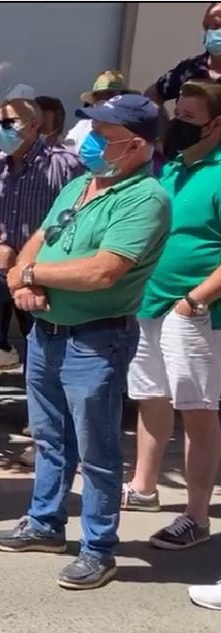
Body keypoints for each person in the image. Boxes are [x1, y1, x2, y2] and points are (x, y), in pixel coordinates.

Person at [0, 94, 170, 591]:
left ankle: (99, 548)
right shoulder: (81, 184)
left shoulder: (145, 197)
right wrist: (24, 281)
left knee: (98, 449)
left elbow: (103, 270)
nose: (90, 142)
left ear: (136, 145)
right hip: (48, 335)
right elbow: (40, 238)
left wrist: (29, 273)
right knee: (50, 438)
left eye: (103, 135)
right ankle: (45, 523)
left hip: (96, 339)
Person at [123, 81, 221, 553]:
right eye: (175, 113)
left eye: (187, 116)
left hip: (196, 313)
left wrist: (196, 300)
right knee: (151, 397)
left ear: (216, 123)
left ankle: (197, 516)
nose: (176, 123)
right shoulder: (174, 170)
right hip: (151, 302)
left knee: (197, 412)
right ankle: (144, 486)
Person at [0, 98, 85, 373]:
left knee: (44, 358)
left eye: (9, 123)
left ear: (34, 126)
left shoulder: (65, 166)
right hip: (5, 266)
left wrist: (38, 270)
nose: (1, 130)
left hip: (47, 270)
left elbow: (80, 221)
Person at [144, 3, 221, 112]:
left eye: (217, 26)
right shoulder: (191, 68)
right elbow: (154, 93)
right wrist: (161, 123)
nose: (212, 33)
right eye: (207, 27)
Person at [63, 71, 131, 152]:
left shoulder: (132, 128)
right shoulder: (82, 126)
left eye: (111, 95)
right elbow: (67, 153)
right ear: (93, 101)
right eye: (100, 96)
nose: (105, 100)